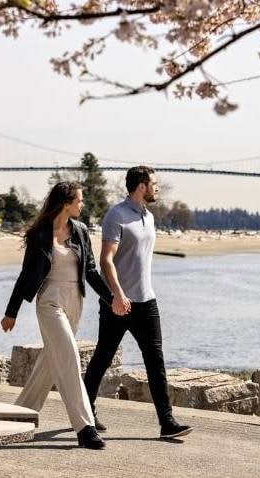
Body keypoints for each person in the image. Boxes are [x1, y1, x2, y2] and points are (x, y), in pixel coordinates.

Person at [83, 166, 192, 439]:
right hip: (118, 303)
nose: (158, 188)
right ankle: (85, 412)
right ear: (141, 186)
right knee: (102, 358)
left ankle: (167, 422)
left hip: (147, 301)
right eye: (154, 183)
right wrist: (117, 295)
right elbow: (106, 259)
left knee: (155, 361)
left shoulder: (150, 217)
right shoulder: (116, 215)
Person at [1, 181, 111, 450]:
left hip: (76, 301)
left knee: (51, 361)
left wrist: (112, 299)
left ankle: (19, 417)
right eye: (80, 201)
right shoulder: (40, 235)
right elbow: (26, 275)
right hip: (49, 302)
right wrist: (11, 312)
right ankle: (85, 427)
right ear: (66, 203)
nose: (82, 205)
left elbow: (92, 272)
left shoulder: (81, 231)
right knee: (69, 355)